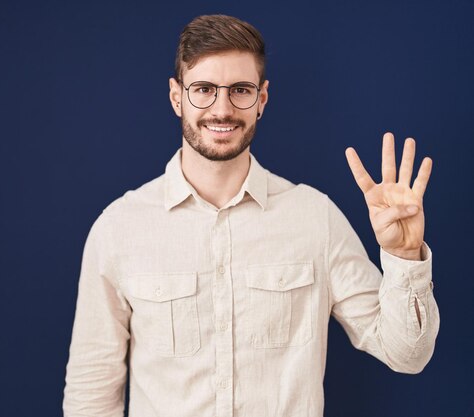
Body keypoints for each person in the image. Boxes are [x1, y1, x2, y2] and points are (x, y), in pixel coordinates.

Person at [62, 14, 439, 417]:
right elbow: (91, 394)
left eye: (240, 90)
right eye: (203, 89)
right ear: (177, 97)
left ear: (261, 99)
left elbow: (406, 354)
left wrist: (404, 255)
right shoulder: (119, 229)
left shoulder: (315, 218)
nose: (221, 109)